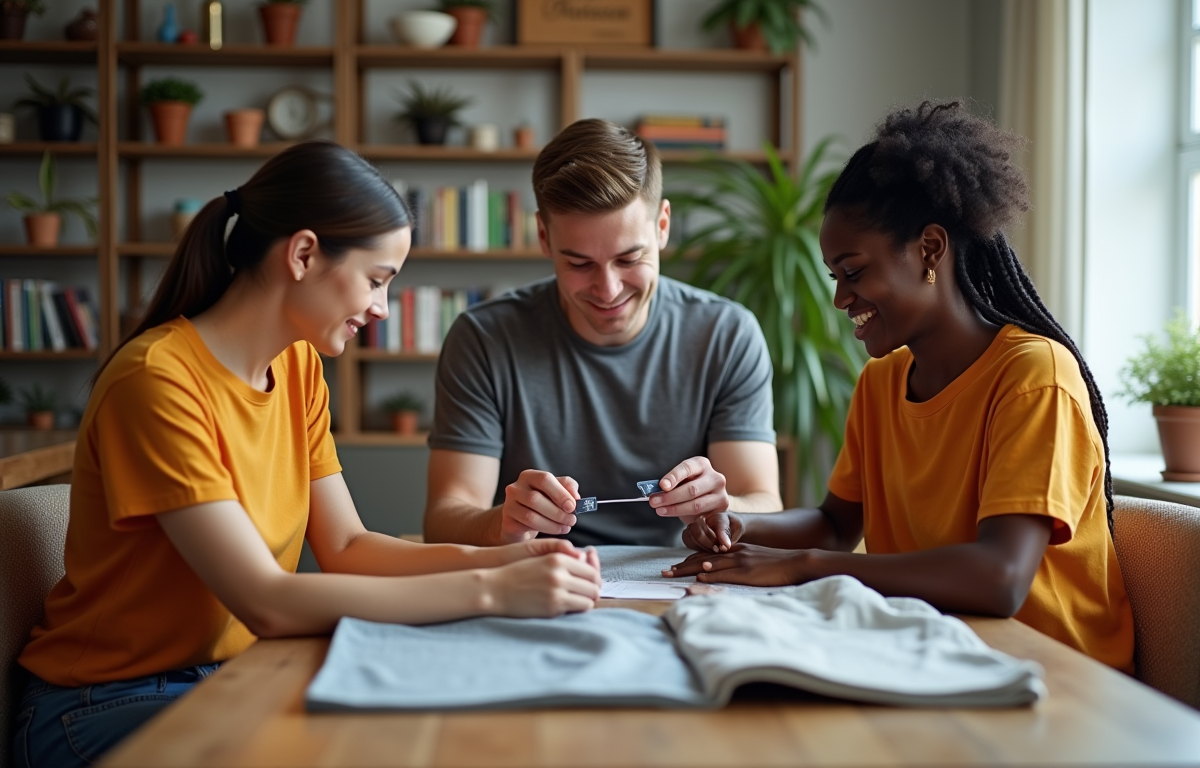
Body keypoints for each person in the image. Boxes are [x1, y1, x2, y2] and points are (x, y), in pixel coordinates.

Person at [12, 142, 602, 768]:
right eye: (376, 280)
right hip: (103, 703)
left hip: (231, 672)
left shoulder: (296, 368)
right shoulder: (156, 382)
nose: (380, 308)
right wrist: (491, 590)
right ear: (303, 254)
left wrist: (506, 559)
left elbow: (348, 548)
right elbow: (265, 599)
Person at [665, 101, 1135, 671]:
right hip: (931, 655)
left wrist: (806, 565)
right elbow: (837, 525)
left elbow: (1001, 578)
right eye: (835, 277)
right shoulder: (881, 381)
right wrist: (741, 527)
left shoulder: (1034, 376)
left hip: (1054, 679)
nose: (841, 300)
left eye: (854, 272)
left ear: (929, 250)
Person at [423, 119, 784, 548]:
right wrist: (505, 522)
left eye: (630, 259)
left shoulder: (727, 335)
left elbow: (764, 503)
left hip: (682, 579)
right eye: (579, 264)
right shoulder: (483, 339)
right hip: (533, 580)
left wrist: (726, 506)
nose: (608, 290)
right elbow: (444, 521)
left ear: (662, 225)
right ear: (543, 236)